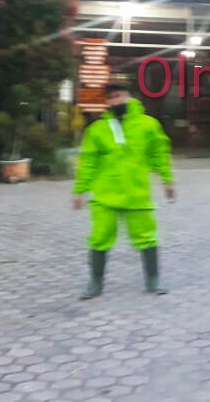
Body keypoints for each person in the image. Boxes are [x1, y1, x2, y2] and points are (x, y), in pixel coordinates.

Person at [72, 82, 175, 300]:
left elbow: (159, 154)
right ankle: (95, 283)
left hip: (137, 194)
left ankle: (153, 279)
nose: (116, 100)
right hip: (104, 195)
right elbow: (88, 161)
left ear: (129, 97)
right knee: (99, 238)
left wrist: (167, 180)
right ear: (106, 102)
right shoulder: (97, 129)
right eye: (111, 98)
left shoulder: (148, 125)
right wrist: (80, 190)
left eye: (119, 95)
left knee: (147, 237)